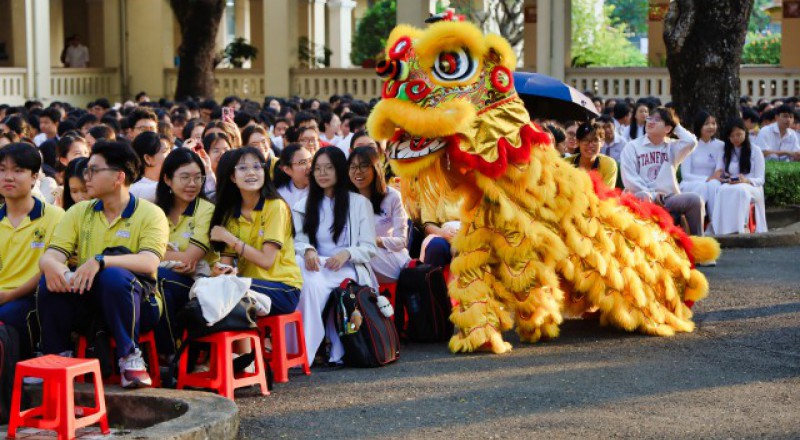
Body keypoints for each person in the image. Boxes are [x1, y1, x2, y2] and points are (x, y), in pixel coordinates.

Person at [37, 141, 169, 388]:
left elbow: (150, 261)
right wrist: (53, 266)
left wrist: (101, 261)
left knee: (113, 277)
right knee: (50, 281)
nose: (86, 177)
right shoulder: (79, 211)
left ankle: (130, 358)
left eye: (94, 170)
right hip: (90, 301)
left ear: (119, 177)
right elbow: (52, 254)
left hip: (140, 304)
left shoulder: (150, 214)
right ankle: (57, 358)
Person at [292, 146, 377, 365]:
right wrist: (308, 250)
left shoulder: (359, 204)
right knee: (306, 277)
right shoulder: (303, 206)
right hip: (317, 267)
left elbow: (369, 247)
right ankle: (302, 349)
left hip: (348, 269)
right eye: (318, 169)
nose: (322, 173)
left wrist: (347, 253)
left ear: (340, 170)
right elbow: (298, 241)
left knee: (311, 284)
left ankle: (306, 350)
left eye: (328, 168)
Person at [209, 146, 302, 316]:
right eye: (243, 168)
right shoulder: (231, 214)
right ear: (233, 177)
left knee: (226, 291)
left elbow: (266, 261)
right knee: (213, 288)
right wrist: (220, 271)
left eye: (257, 167)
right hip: (249, 286)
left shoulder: (275, 206)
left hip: (283, 288)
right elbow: (226, 264)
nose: (251, 172)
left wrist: (229, 238)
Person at [0, 143, 65, 357]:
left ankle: (25, 368)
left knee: (11, 314)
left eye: (18, 170)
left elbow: (51, 269)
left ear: (34, 177)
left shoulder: (55, 217)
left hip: (36, 298)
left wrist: (9, 295)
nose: (8, 177)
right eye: (2, 170)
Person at [154, 148, 214, 355]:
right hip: (168, 281)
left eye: (198, 177)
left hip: (199, 283)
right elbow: (142, 251)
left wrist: (156, 255)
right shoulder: (156, 212)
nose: (192, 183)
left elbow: (190, 259)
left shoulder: (205, 210)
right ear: (167, 180)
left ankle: (170, 352)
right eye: (185, 177)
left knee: (158, 278)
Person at [620, 107, 705, 236]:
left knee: (695, 200)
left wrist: (675, 125)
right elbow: (630, 179)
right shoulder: (632, 147)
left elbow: (691, 141)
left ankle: (697, 242)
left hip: (667, 198)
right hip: (639, 196)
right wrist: (653, 195)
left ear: (667, 128)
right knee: (644, 196)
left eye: (657, 119)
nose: (650, 122)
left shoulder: (672, 147)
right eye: (650, 118)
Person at [348, 146, 411, 283]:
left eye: (364, 166)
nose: (358, 171)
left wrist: (375, 240)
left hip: (391, 260)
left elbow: (402, 241)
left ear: (375, 168)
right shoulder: (345, 200)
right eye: (353, 167)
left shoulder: (392, 197)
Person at [710, 118, 767, 235]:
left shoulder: (755, 151)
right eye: (732, 136)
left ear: (745, 132)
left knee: (741, 191)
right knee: (721, 190)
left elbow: (760, 179)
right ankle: (722, 229)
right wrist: (726, 178)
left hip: (751, 186)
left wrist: (746, 180)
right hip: (732, 183)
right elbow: (719, 171)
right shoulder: (725, 151)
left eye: (739, 135)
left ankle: (741, 226)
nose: (736, 138)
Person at [679, 111, 724, 231]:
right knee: (706, 186)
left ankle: (714, 224)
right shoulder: (690, 145)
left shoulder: (720, 145)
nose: (711, 127)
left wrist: (711, 179)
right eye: (707, 124)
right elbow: (685, 175)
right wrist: (707, 179)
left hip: (713, 183)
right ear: (699, 126)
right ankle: (699, 222)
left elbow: (719, 171)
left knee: (713, 185)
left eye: (713, 123)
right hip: (691, 183)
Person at [570, 121, 618, 189]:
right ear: (578, 142)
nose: (590, 145)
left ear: (602, 142)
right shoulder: (566, 163)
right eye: (585, 140)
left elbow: (606, 193)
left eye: (595, 140)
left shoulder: (608, 164)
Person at [130, 131, 170, 202]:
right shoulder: (136, 189)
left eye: (170, 151)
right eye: (165, 151)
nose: (172, 155)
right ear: (148, 159)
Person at [274, 143, 312, 209]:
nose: (310, 166)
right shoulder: (280, 196)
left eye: (311, 160)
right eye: (303, 162)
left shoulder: (323, 189)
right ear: (287, 170)